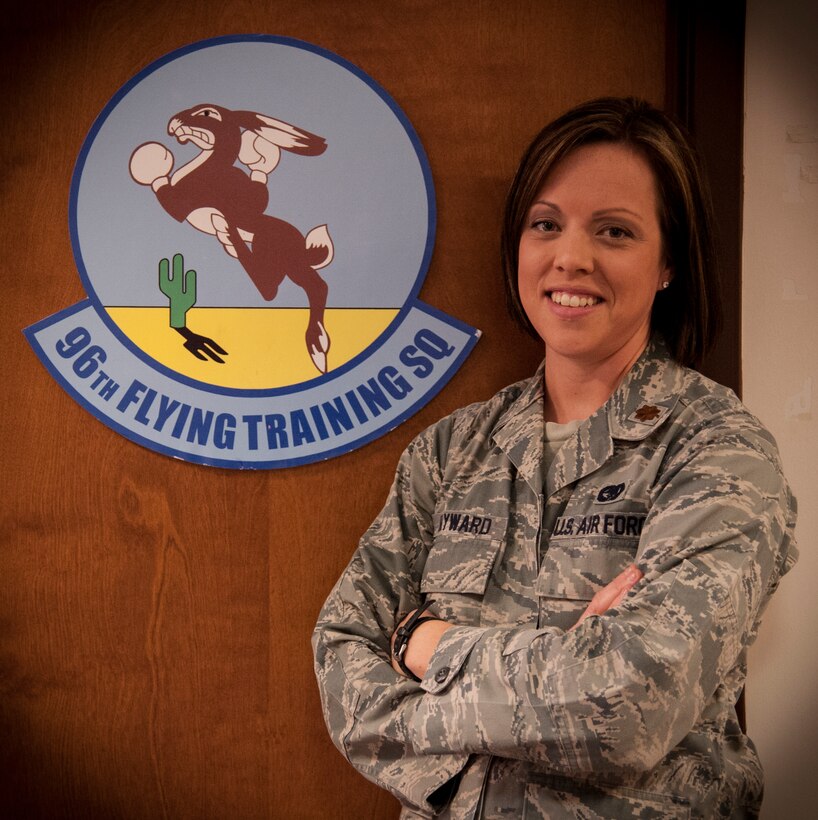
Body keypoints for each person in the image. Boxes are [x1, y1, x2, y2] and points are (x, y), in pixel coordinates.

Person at [312, 97, 798, 819]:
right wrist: (561, 672)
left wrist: (427, 646)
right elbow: (343, 659)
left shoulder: (718, 452)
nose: (571, 257)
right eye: (546, 224)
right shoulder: (449, 453)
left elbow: (631, 707)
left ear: (669, 262)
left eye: (615, 231)